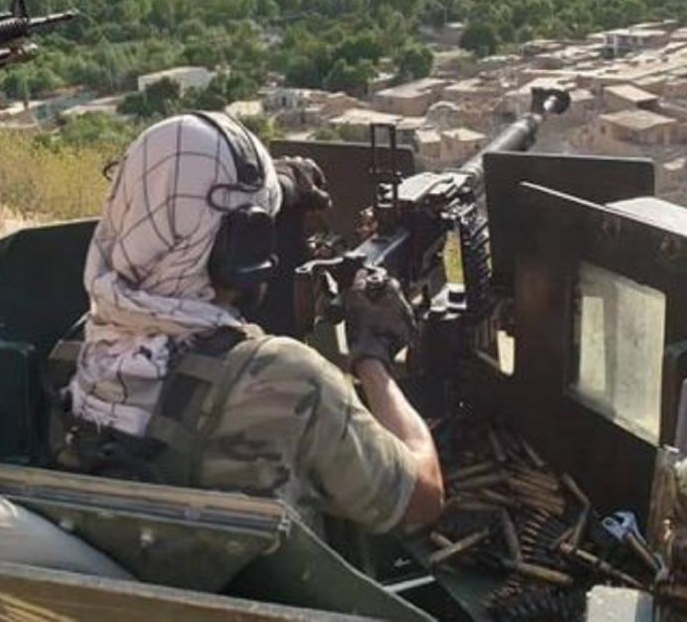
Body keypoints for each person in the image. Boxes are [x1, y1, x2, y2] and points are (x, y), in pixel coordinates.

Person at [54, 111, 444, 534]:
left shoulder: (79, 345)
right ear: (244, 250)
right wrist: (372, 357)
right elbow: (422, 498)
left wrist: (274, 190)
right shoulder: (284, 380)